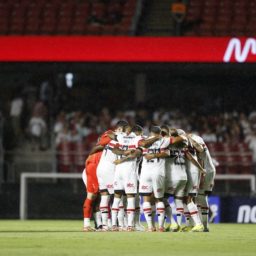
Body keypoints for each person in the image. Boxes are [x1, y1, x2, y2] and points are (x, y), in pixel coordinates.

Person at [187, 133, 216, 232]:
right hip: (203, 169)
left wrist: (202, 175)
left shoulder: (195, 138)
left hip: (205, 170)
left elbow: (200, 150)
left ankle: (204, 225)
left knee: (200, 196)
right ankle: (200, 224)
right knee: (196, 198)